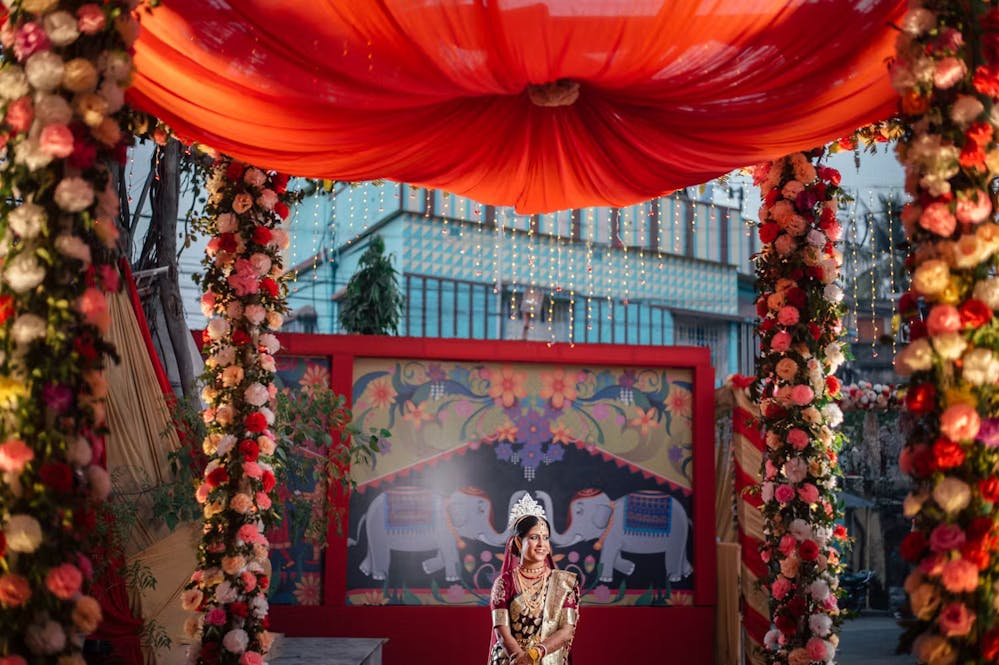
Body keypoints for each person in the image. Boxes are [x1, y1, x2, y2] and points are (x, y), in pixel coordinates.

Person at [489, 493, 579, 664]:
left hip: (549, 659)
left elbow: (567, 630)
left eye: (545, 538)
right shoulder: (504, 583)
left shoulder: (564, 583)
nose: (541, 544)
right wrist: (518, 656)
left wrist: (536, 653)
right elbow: (501, 630)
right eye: (533, 537)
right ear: (517, 542)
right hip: (511, 660)